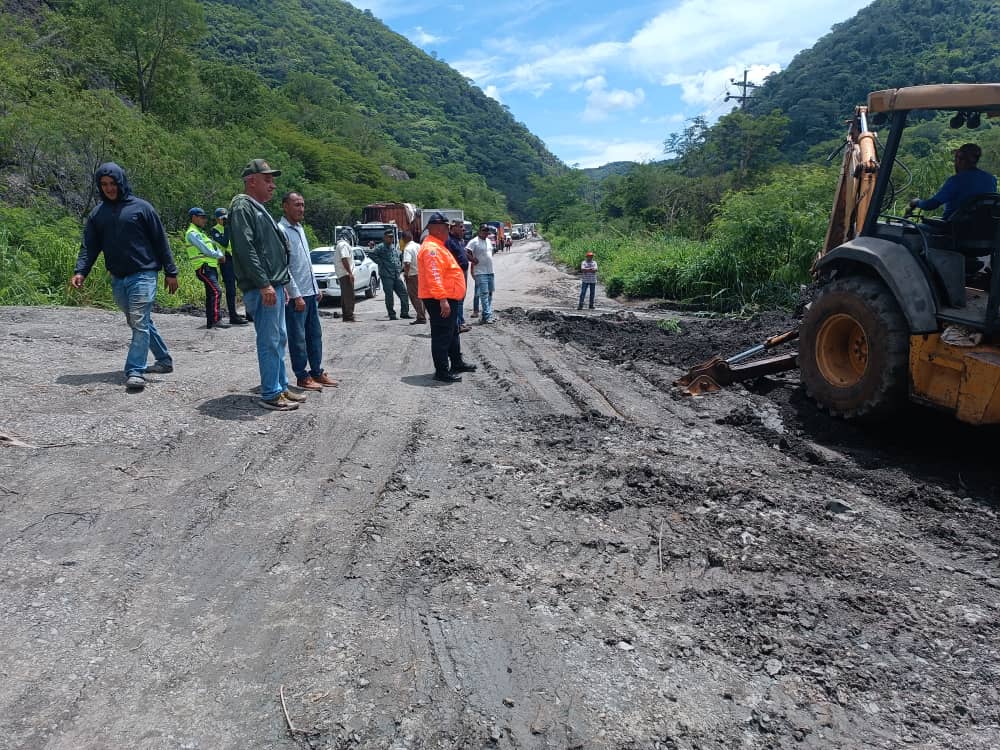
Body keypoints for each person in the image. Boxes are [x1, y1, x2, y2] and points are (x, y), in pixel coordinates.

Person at [71, 162, 178, 391]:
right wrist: (81, 271)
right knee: (138, 321)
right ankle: (164, 360)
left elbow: (161, 241)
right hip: (118, 277)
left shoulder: (142, 208)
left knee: (138, 321)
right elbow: (89, 246)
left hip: (144, 273)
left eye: (113, 183)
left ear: (121, 182)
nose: (109, 188)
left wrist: (171, 271)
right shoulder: (97, 214)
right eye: (104, 184)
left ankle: (135, 370)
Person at [228, 158, 307, 412]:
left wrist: (279, 284)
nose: (273, 185)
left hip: (274, 285)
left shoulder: (257, 207)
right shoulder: (242, 206)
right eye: (268, 180)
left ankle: (281, 386)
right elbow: (245, 247)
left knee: (279, 338)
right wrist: (264, 284)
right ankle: (271, 393)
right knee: (270, 340)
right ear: (252, 181)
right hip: (264, 286)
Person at [279, 191, 338, 392]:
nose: (301, 209)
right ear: (285, 206)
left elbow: (306, 263)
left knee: (315, 335)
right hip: (297, 296)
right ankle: (302, 376)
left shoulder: (300, 228)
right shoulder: (281, 230)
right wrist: (296, 294)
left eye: (303, 205)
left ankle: (316, 371)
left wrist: (316, 287)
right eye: (296, 205)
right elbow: (284, 267)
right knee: (298, 338)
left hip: (311, 293)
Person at [418, 212, 477, 383]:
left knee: (451, 332)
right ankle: (442, 371)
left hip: (447, 296)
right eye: (446, 228)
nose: (448, 231)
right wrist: (442, 299)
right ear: (437, 229)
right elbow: (434, 276)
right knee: (442, 334)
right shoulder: (431, 249)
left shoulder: (439, 245)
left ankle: (456, 363)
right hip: (439, 299)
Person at [910, 143, 997, 220]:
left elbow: (931, 205)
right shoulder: (991, 179)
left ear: (959, 159)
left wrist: (916, 202)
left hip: (954, 229)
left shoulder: (956, 180)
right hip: (983, 229)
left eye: (956, 158)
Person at [184, 207, 228, 329]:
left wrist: (219, 254)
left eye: (205, 217)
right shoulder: (192, 233)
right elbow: (205, 249)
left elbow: (213, 246)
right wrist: (219, 255)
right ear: (193, 218)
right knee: (216, 291)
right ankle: (216, 319)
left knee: (211, 293)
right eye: (201, 217)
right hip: (203, 267)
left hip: (210, 267)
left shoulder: (201, 233)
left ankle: (211, 321)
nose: (204, 220)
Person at [209, 208, 249, 325]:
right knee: (231, 288)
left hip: (237, 259)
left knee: (245, 285)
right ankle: (233, 315)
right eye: (222, 219)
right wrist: (227, 227)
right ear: (217, 219)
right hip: (225, 260)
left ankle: (249, 313)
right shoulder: (215, 230)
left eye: (226, 218)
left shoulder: (233, 228)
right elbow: (224, 242)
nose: (225, 220)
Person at [367, 229, 410, 319]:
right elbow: (371, 254)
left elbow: (397, 257)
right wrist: (381, 262)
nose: (391, 239)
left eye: (392, 237)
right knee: (389, 295)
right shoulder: (381, 247)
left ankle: (404, 313)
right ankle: (392, 314)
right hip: (386, 275)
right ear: (385, 237)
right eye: (389, 237)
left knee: (404, 293)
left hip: (396, 274)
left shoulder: (393, 247)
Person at [466, 224, 496, 323]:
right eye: (484, 230)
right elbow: (466, 252)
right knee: (484, 294)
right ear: (479, 231)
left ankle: (485, 315)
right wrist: (473, 260)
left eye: (487, 231)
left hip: (490, 271)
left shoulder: (488, 241)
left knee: (490, 294)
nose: (486, 232)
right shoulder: (474, 241)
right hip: (480, 272)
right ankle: (487, 316)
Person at [445, 219, 471, 332]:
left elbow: (463, 253)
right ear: (453, 227)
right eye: (461, 227)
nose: (463, 229)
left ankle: (460, 321)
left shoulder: (459, 240)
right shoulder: (449, 241)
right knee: (457, 299)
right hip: (455, 274)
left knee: (461, 298)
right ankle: (457, 324)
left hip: (462, 273)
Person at [400, 229, 426, 324]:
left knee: (415, 296)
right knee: (422, 296)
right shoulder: (419, 246)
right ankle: (423, 314)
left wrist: (406, 275)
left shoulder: (407, 248)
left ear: (403, 239)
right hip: (422, 274)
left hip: (413, 275)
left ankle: (421, 317)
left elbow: (407, 263)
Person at [335, 228, 357, 322]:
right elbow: (345, 259)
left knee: (345, 296)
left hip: (342, 273)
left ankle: (346, 315)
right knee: (349, 296)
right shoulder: (343, 245)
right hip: (345, 274)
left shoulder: (339, 245)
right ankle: (349, 316)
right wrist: (350, 273)